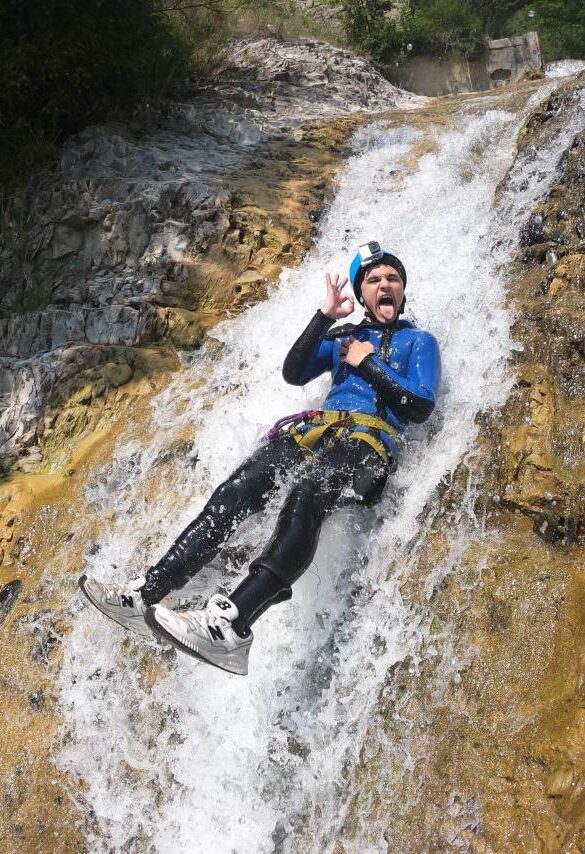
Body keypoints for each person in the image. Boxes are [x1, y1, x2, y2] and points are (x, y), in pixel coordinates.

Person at [79, 241, 441, 675]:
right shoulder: (344, 338)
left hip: (368, 448)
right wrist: (324, 317)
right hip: (315, 433)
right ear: (362, 295)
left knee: (305, 496)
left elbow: (420, 406)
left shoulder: (420, 341)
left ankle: (233, 624)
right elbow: (294, 372)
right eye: (374, 280)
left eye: (393, 279)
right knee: (239, 489)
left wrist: (367, 365)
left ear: (403, 291)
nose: (385, 285)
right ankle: (146, 594)